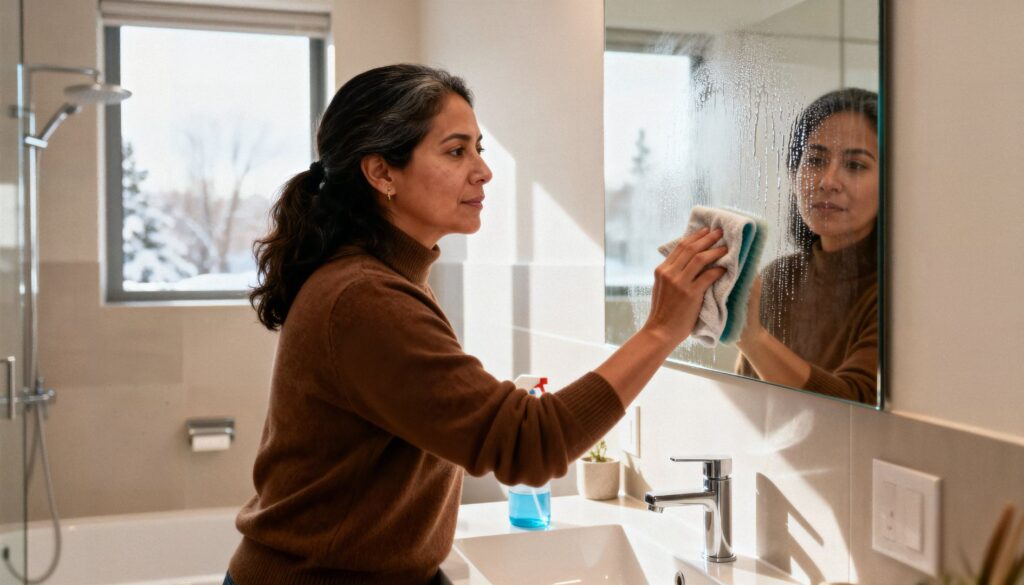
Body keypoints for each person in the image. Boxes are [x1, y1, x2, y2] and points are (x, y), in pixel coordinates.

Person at [225, 64, 728, 585]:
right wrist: (660, 330)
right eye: (455, 150)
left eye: (479, 149)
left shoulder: (381, 280)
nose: (483, 171)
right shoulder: (364, 298)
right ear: (381, 174)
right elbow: (531, 447)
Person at [736, 88, 879, 404]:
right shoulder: (778, 278)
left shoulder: (892, 294)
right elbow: (749, 399)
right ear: (793, 172)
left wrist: (753, 337)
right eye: (814, 160)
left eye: (855, 165)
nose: (828, 181)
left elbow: (857, 405)